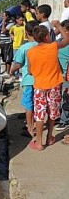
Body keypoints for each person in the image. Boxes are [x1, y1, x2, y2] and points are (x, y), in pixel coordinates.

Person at [27, 21, 69, 150]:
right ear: (46, 37)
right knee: (52, 112)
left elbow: (29, 71)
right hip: (55, 85)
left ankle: (39, 142)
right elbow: (67, 40)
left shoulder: (31, 52)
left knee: (40, 115)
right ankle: (50, 137)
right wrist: (58, 26)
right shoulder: (53, 46)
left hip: (40, 86)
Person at [10, 20, 39, 138]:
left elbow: (18, 64)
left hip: (28, 79)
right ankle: (36, 124)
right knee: (38, 103)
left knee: (28, 104)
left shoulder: (24, 48)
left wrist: (11, 71)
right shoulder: (42, 46)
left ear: (26, 33)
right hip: (41, 80)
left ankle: (30, 128)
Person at [54, 19, 69, 132]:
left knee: (65, 98)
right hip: (61, 75)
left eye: (62, 29)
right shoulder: (60, 42)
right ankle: (62, 118)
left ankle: (64, 121)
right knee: (62, 97)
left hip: (66, 75)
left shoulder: (64, 43)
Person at [0, 11, 14, 76]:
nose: (3, 17)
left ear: (7, 16)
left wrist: (3, 22)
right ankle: (5, 71)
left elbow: (4, 30)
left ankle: (8, 72)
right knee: (4, 58)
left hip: (8, 43)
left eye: (4, 16)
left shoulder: (11, 24)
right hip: (3, 42)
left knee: (8, 58)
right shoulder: (6, 23)